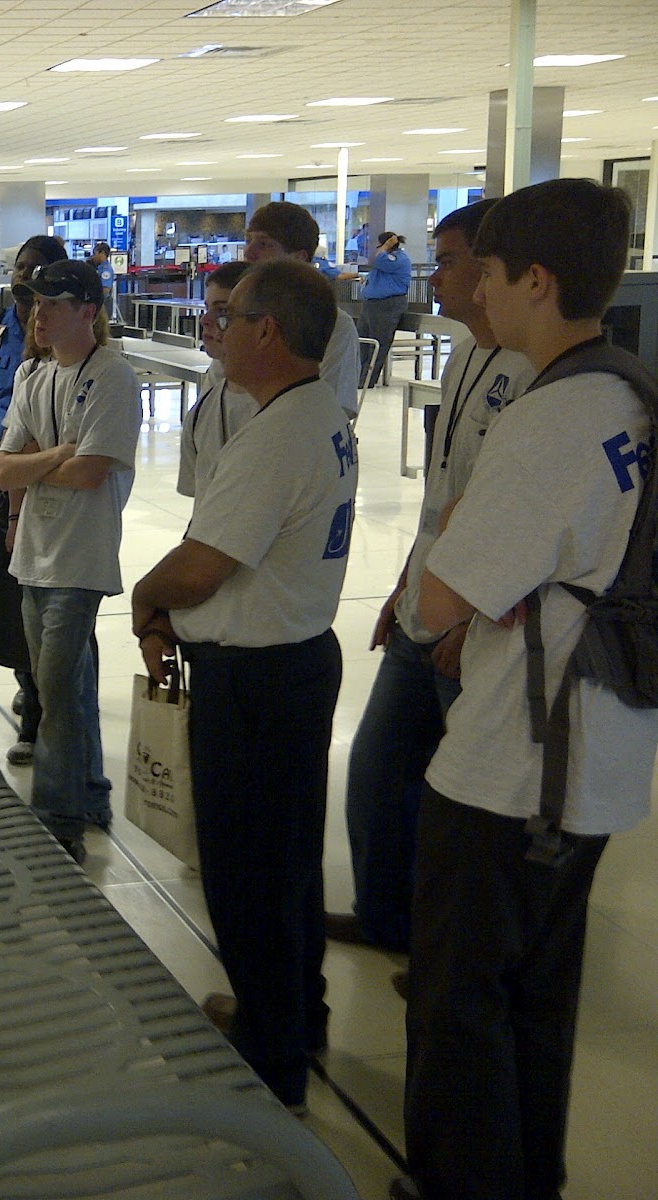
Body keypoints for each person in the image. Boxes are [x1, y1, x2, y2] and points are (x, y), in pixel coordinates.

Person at [397, 178, 658, 1200]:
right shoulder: (630, 389)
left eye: (490, 274)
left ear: (535, 280)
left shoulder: (550, 419)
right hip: (594, 755)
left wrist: (464, 543)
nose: (476, 294)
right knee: (537, 1000)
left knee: (460, 1009)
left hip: (513, 770)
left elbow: (434, 604)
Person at [132, 258, 358, 1113]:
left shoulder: (276, 438)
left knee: (248, 875)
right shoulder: (318, 416)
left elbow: (202, 566)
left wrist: (148, 599)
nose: (213, 332)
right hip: (296, 662)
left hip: (257, 681)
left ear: (268, 331)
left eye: (228, 319)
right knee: (290, 864)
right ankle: (294, 1015)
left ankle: (271, 1071)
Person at [328, 200, 535, 969]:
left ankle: (453, 961)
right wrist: (404, 588)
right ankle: (388, 919)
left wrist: (463, 618)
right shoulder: (465, 356)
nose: (433, 276)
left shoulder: (530, 375)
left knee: (463, 816)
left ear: (489, 274)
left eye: (446, 261)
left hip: (474, 630)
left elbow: (506, 521)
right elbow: (440, 501)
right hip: (426, 605)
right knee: (379, 778)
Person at [0, 259, 141, 862]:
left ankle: (58, 819)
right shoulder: (32, 375)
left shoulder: (112, 377)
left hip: (80, 557)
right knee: (68, 685)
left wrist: (42, 460)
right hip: (33, 552)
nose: (38, 314)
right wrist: (57, 452)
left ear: (88, 311)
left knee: (54, 688)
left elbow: (90, 473)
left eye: (53, 303)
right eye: (34, 304)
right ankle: (90, 794)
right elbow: (6, 470)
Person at [0, 234, 68, 764]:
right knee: (10, 583)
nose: (24, 275)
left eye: (37, 267)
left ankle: (61, 703)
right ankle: (31, 693)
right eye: (20, 266)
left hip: (53, 470)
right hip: (0, 464)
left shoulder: (63, 331)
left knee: (57, 591)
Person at [243, 201, 364, 418]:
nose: (249, 253)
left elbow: (333, 409)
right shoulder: (242, 317)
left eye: (264, 244)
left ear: (299, 258)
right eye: (248, 241)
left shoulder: (333, 325)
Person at [176, 259, 258, 498]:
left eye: (222, 311)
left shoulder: (281, 411)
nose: (206, 321)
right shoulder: (210, 397)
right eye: (207, 308)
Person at [358, 231, 412, 388]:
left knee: (377, 343)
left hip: (387, 305)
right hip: (371, 305)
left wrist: (386, 246)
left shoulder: (399, 259)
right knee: (363, 341)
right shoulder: (385, 260)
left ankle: (368, 379)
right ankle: (359, 375)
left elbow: (380, 260)